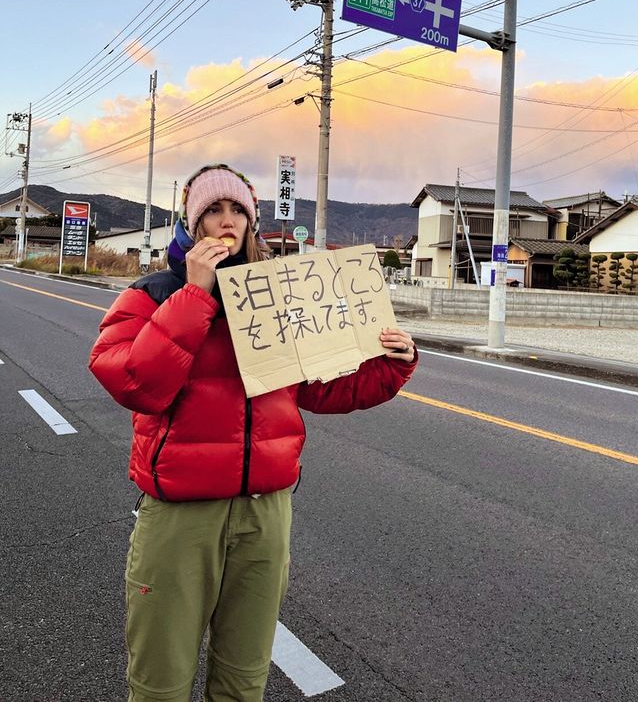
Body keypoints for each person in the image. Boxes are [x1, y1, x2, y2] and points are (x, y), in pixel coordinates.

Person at [89, 163, 418, 702]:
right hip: (179, 514)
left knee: (244, 680)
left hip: (266, 512)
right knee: (160, 682)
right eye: (212, 211)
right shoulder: (151, 294)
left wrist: (391, 365)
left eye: (237, 210)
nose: (226, 222)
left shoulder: (277, 295)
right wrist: (194, 296)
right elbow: (134, 384)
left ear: (252, 220)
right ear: (190, 223)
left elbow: (317, 391)